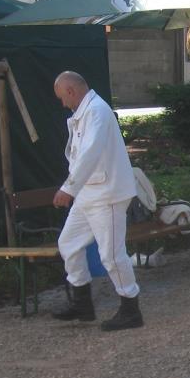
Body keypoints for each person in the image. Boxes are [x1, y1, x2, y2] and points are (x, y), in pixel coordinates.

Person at [51, 71, 143, 331]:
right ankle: (82, 304)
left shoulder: (97, 111)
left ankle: (130, 309)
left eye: (62, 97)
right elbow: (80, 156)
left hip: (107, 194)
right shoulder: (86, 112)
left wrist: (68, 188)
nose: (62, 103)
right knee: (68, 243)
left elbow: (89, 153)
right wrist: (73, 188)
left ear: (71, 91)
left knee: (111, 255)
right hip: (89, 194)